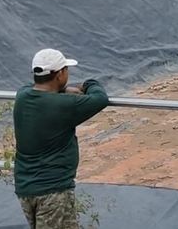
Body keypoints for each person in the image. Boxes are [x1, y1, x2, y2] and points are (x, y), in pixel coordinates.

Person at [13, 48, 109, 229]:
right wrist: (87, 84)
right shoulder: (63, 105)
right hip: (53, 191)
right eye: (66, 70)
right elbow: (100, 98)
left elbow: (34, 89)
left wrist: (62, 89)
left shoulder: (23, 96)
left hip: (25, 189)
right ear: (60, 74)